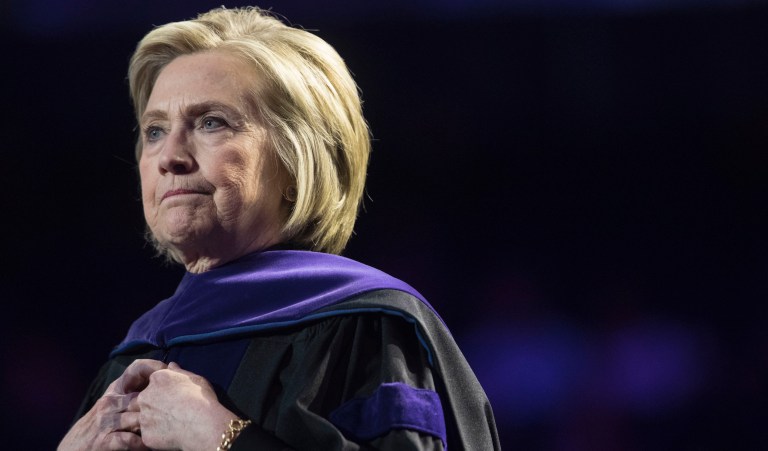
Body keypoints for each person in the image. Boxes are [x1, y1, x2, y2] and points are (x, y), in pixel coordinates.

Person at [58, 6, 500, 450]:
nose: (169, 156)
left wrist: (220, 436)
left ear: (295, 162)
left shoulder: (366, 329)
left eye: (211, 122)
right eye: (154, 131)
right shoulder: (130, 359)